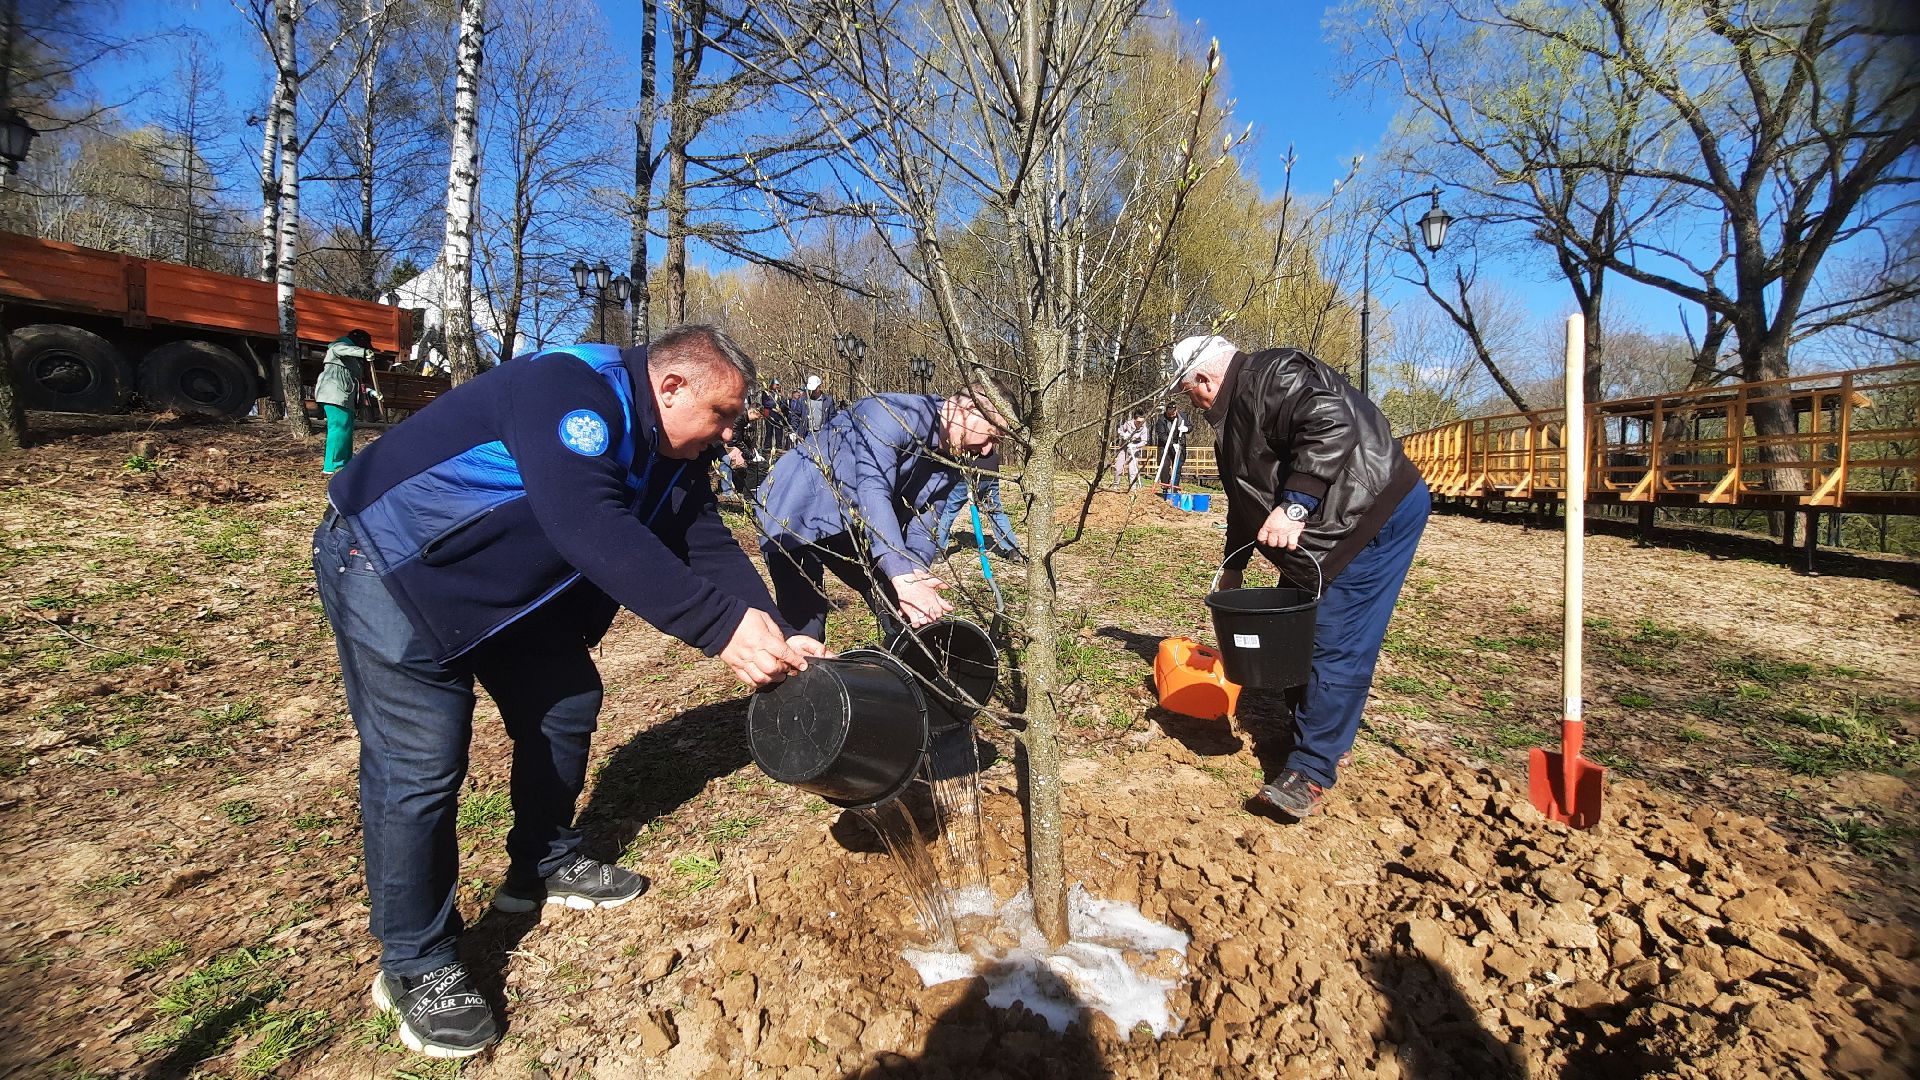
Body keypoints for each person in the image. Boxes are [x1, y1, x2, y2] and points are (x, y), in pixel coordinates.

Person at [315, 324, 825, 1059]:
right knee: (420, 769)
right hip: (389, 567)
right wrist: (719, 630)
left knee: (564, 704)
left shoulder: (669, 446)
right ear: (672, 385)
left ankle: (543, 861)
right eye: (721, 416)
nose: (727, 434)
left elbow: (698, 535)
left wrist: (772, 627)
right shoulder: (566, 391)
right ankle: (415, 964)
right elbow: (588, 523)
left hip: (504, 588)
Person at [1171, 334, 1430, 819]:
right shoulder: (1232, 420)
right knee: (1298, 627)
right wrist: (1234, 564)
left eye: (1189, 391)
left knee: (1335, 636)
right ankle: (1319, 730)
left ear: (1204, 379)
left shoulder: (1274, 372)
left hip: (1371, 515)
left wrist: (1295, 505)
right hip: (1325, 530)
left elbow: (1333, 425)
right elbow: (1246, 500)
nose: (1193, 402)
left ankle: (1313, 767)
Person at [754, 390, 1005, 640]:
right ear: (969, 407)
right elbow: (874, 490)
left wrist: (915, 575)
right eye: (991, 436)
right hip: (796, 506)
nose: (987, 452)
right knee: (804, 627)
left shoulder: (953, 456)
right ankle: (806, 674)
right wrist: (902, 575)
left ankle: (906, 673)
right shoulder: (890, 412)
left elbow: (924, 521)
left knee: (907, 614)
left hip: (857, 518)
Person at [935, 448, 1025, 563]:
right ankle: (1013, 551)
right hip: (990, 470)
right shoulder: (990, 429)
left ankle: (939, 551)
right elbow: (986, 449)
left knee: (949, 510)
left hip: (967, 470)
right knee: (995, 512)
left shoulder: (963, 430)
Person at [316, 329, 381, 476]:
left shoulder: (352, 358)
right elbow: (338, 348)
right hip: (334, 393)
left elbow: (358, 381)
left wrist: (372, 392)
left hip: (345, 396)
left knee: (346, 429)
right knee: (338, 428)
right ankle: (332, 465)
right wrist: (362, 352)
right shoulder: (339, 345)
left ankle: (345, 461)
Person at [1151, 401, 1191, 492]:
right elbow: (1161, 435)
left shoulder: (1182, 417)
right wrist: (1172, 443)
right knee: (1164, 466)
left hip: (1180, 445)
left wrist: (1186, 429)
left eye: (1173, 413)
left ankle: (1175, 487)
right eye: (1169, 413)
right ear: (1166, 411)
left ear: (1176, 410)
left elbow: (1190, 426)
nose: (1172, 415)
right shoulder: (1161, 420)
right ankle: (1165, 486)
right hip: (1165, 446)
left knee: (1177, 467)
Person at [1113, 409, 1148, 491]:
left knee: (1132, 469)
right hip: (1124, 447)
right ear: (1134, 419)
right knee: (1119, 467)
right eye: (1138, 421)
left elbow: (1144, 441)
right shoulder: (1128, 424)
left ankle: (1132, 487)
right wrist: (1123, 435)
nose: (1140, 423)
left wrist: (1136, 446)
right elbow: (1120, 430)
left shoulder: (1144, 428)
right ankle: (1116, 485)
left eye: (1142, 421)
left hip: (1134, 449)